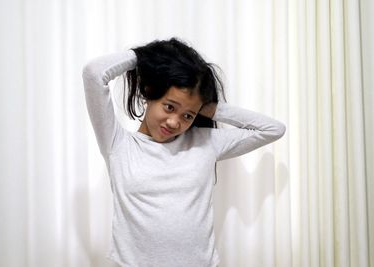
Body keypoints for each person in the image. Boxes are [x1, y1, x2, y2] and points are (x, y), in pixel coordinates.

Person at [82, 38, 286, 267]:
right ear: (150, 93)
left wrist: (209, 108)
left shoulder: (204, 142)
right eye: (169, 107)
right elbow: (93, 73)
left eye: (187, 115)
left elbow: (273, 129)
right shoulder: (117, 145)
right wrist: (150, 56)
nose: (174, 122)